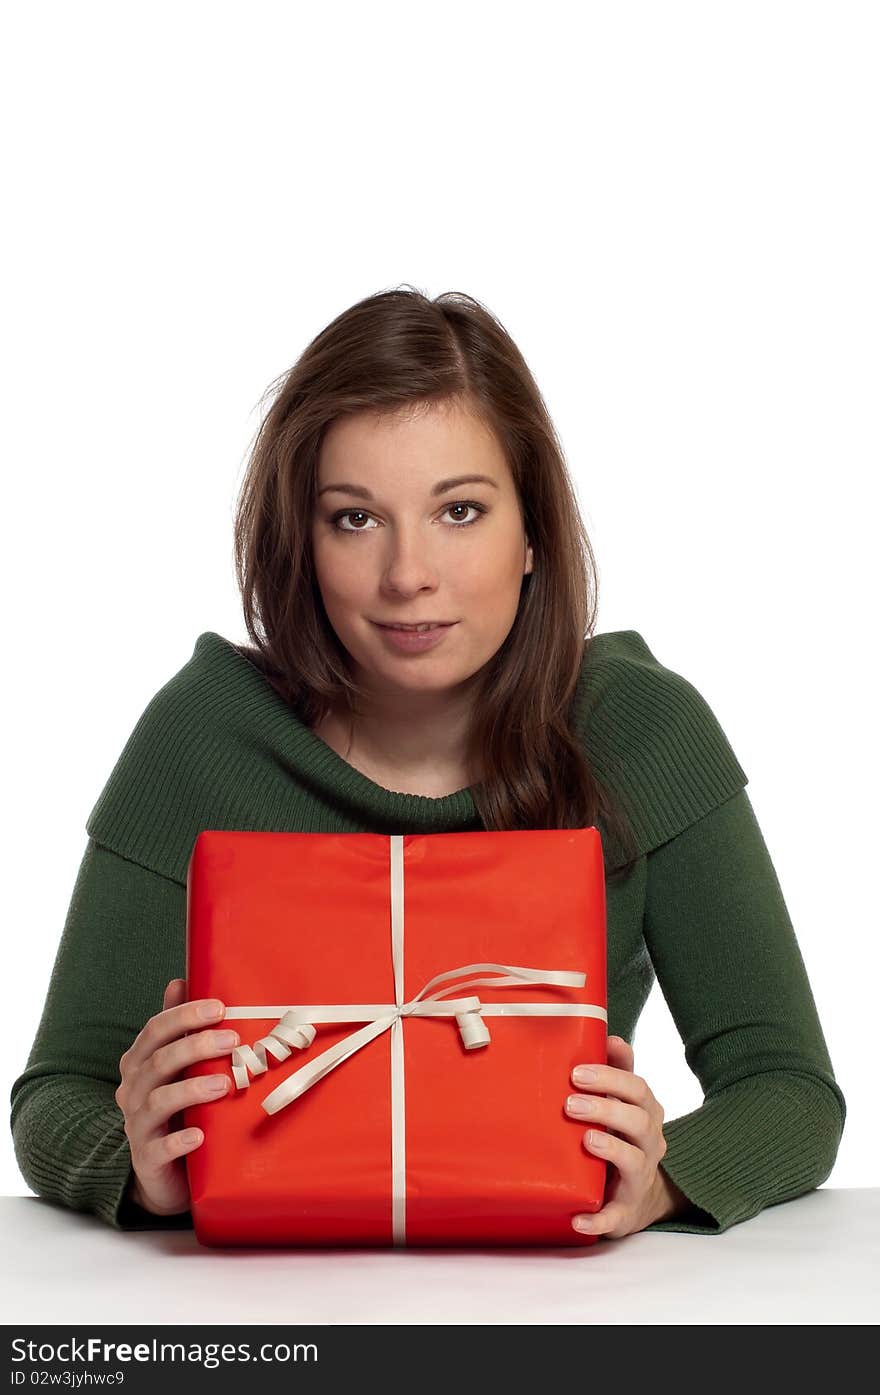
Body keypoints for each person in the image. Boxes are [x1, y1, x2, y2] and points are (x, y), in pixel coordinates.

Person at [10, 287, 845, 1241]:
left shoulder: (642, 732)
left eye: (459, 510)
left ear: (533, 533)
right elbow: (54, 1098)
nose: (408, 573)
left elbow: (789, 1089)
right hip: (260, 1306)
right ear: (303, 541)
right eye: (355, 519)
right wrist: (142, 1164)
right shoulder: (202, 737)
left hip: (570, 1315)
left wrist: (662, 1180)